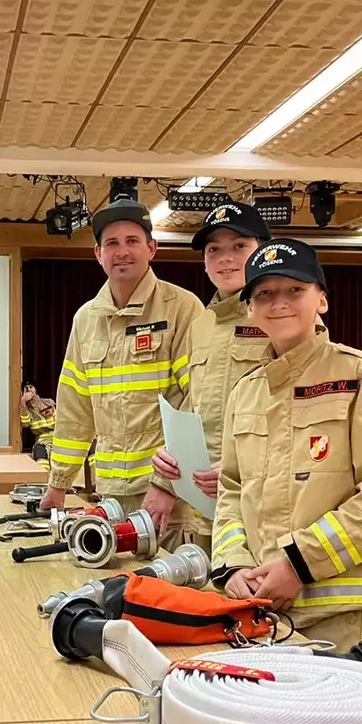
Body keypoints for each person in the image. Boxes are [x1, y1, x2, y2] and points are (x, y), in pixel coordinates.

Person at [209, 238, 362, 651]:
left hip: (335, 614)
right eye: (264, 293)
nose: (279, 303)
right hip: (257, 609)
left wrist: (298, 563)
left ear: (321, 300)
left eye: (295, 290)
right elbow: (231, 491)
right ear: (250, 308)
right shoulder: (246, 391)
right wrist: (232, 566)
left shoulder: (358, 374)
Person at [40, 198, 205, 550]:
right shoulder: (86, 319)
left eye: (132, 241)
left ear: (152, 249)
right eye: (112, 244)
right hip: (110, 492)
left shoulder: (183, 308)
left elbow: (197, 403)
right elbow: (74, 410)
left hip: (165, 498)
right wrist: (58, 483)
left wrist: (165, 485)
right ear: (98, 254)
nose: (122, 252)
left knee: (167, 595)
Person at [148, 202, 272, 554]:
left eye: (239, 246)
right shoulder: (202, 324)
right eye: (214, 249)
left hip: (259, 505)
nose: (225, 258)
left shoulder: (279, 316)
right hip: (203, 506)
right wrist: (166, 473)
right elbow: (194, 404)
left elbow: (297, 414)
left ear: (263, 250)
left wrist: (240, 469)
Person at [19, 381, 57, 469]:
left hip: (58, 437)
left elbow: (59, 422)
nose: (29, 390)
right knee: (39, 452)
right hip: (43, 440)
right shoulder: (26, 409)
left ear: (35, 389)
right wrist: (23, 402)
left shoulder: (48, 403)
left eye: (31, 387)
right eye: (26, 388)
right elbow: (25, 424)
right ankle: (44, 480)